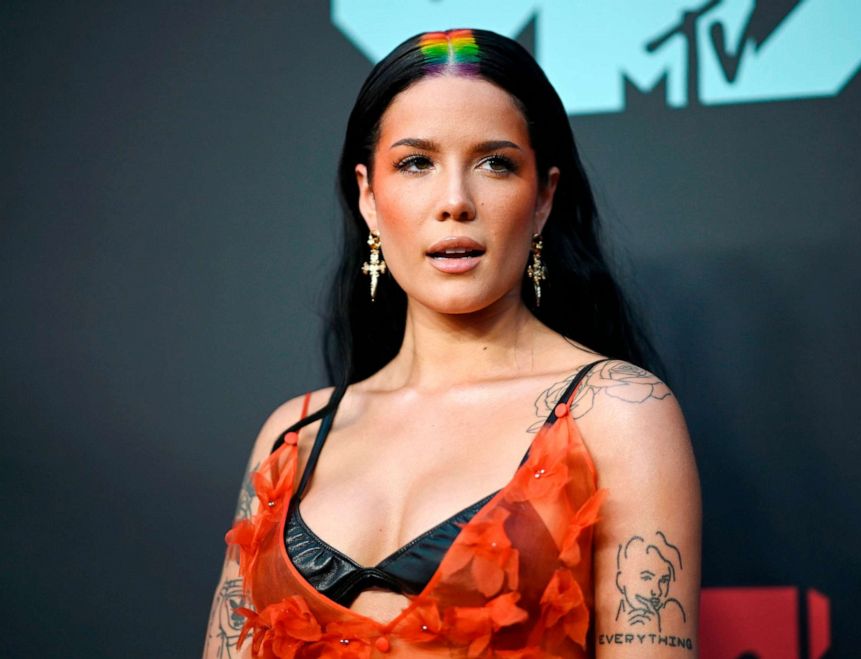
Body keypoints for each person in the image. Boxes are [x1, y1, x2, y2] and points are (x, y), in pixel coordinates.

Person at [202, 28, 700, 658]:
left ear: (544, 198)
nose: (455, 201)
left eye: (496, 163)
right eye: (416, 163)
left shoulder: (618, 413)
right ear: (368, 197)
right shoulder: (291, 437)